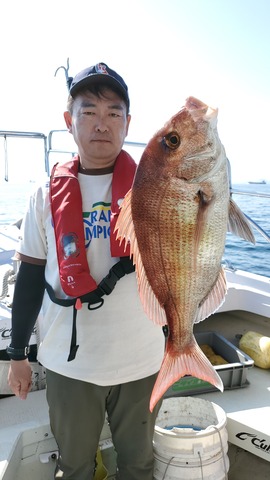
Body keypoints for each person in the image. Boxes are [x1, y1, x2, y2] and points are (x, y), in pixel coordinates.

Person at [7, 62, 165, 480]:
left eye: (114, 113)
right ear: (68, 120)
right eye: (89, 111)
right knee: (74, 466)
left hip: (143, 361)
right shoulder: (44, 195)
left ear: (128, 123)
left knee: (139, 465)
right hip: (69, 365)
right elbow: (28, 279)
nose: (102, 124)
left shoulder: (156, 189)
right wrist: (18, 355)